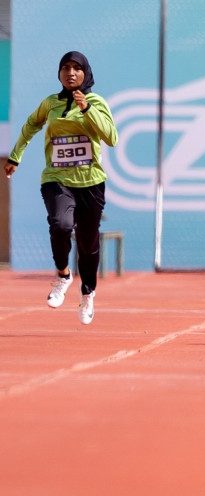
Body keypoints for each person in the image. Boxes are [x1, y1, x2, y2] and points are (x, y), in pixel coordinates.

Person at [5, 51, 118, 325]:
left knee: (88, 244)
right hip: (56, 178)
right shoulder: (51, 103)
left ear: (85, 73)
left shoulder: (95, 101)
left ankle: (88, 292)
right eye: (65, 68)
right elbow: (32, 123)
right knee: (60, 224)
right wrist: (15, 155)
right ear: (59, 74)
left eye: (76, 68)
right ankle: (63, 275)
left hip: (90, 182)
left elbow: (111, 137)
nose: (70, 73)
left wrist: (87, 110)